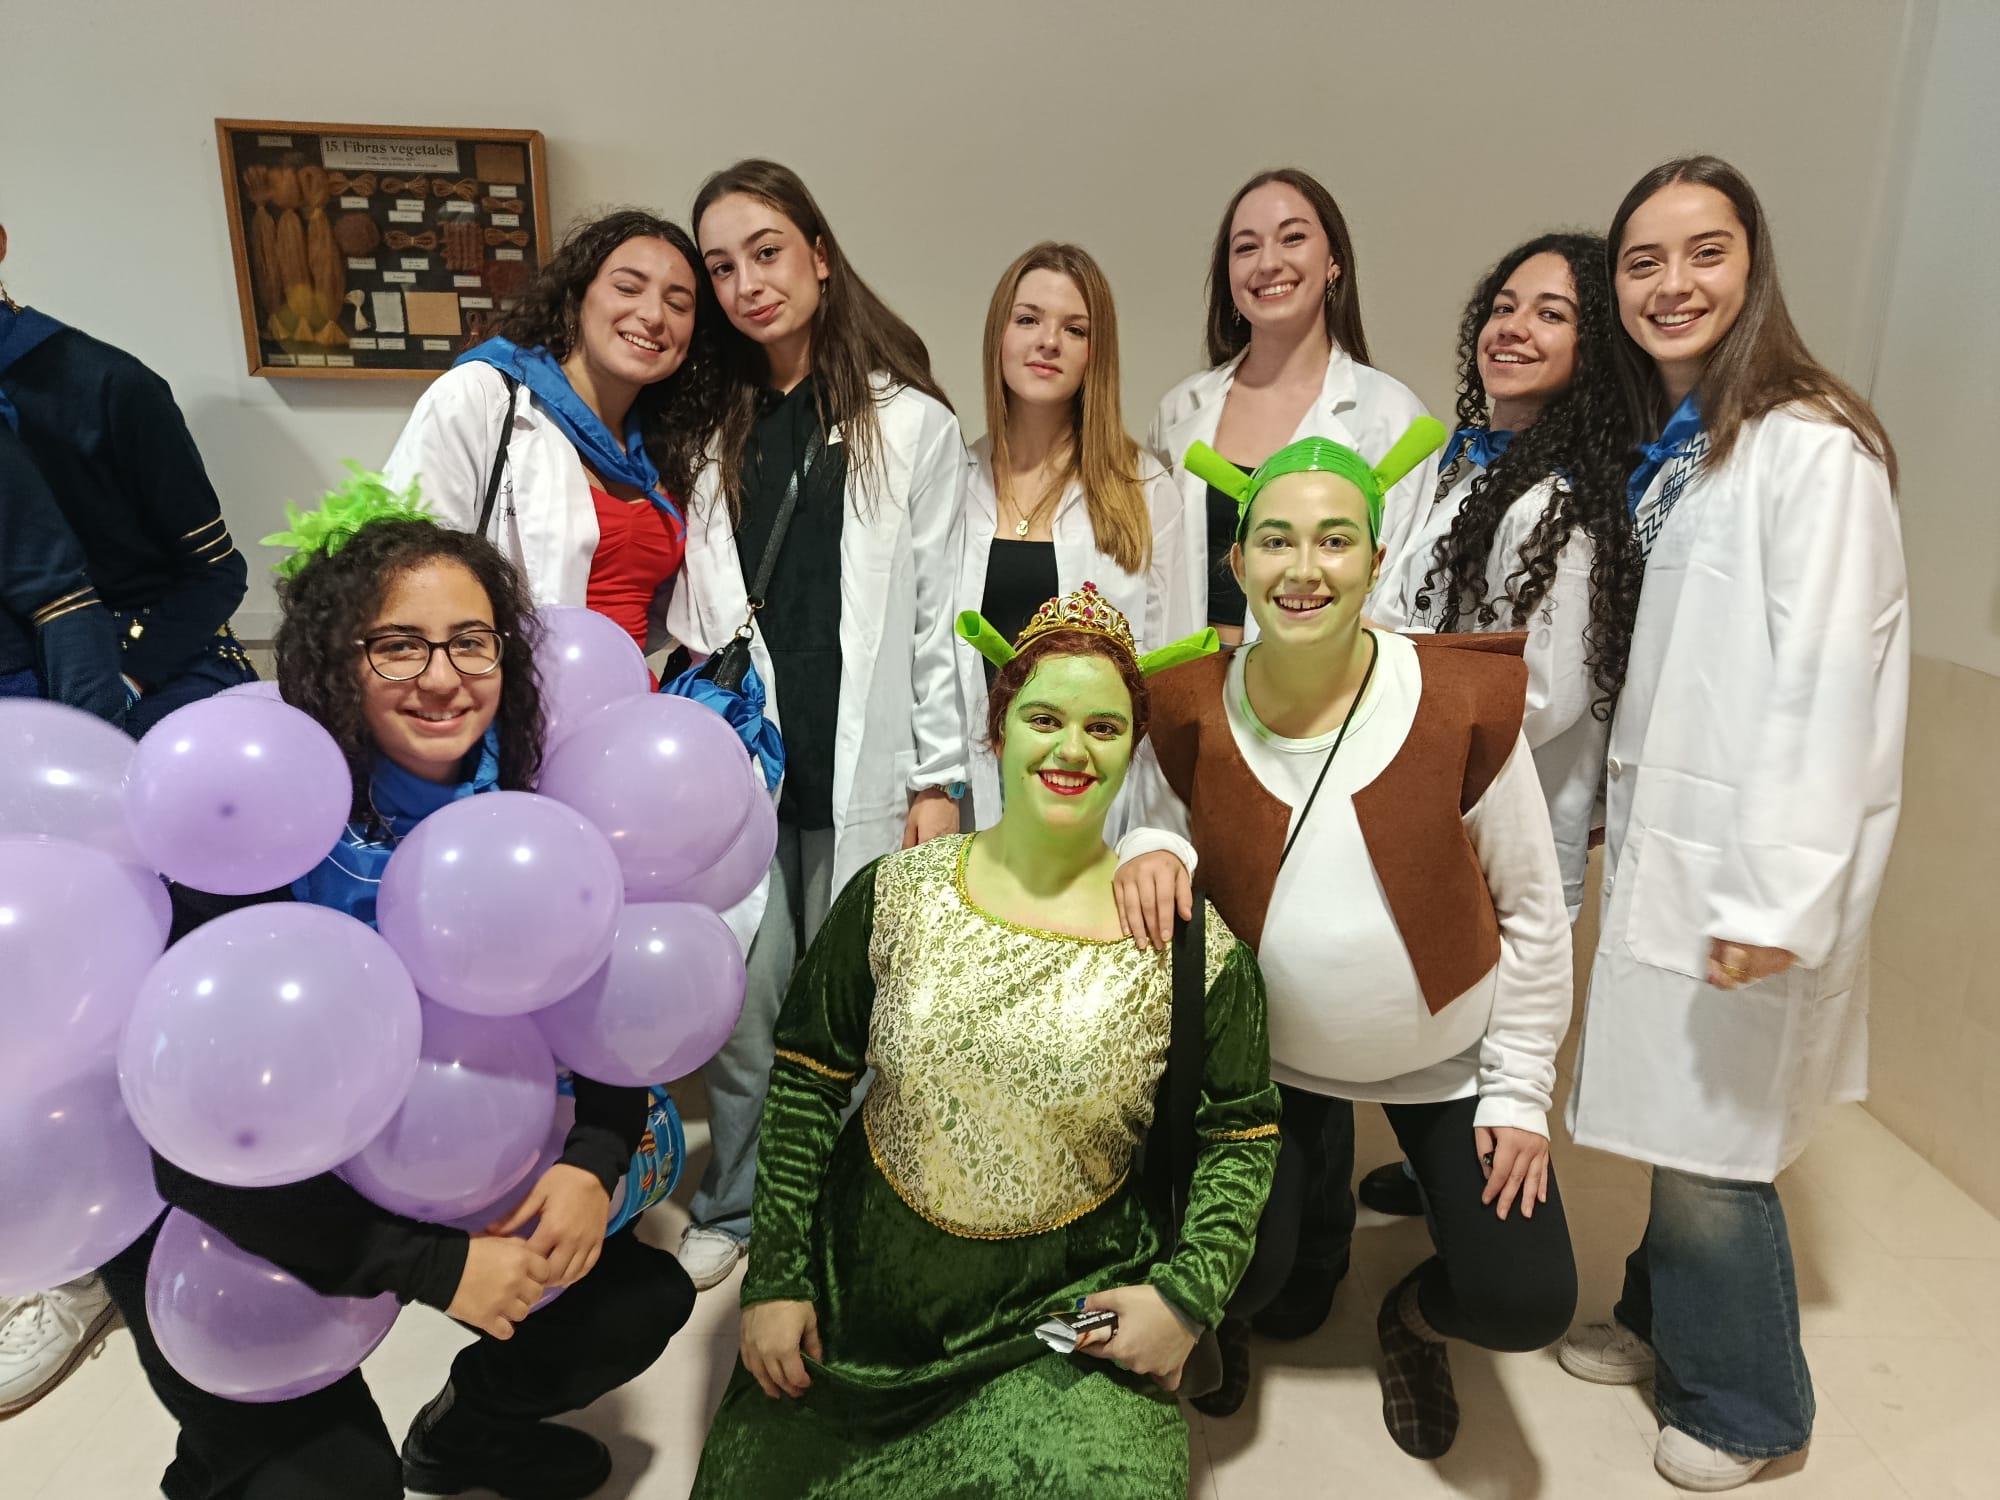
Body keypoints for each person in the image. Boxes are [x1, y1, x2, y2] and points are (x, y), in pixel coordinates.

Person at [95, 501, 695, 1500]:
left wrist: (593, 1161)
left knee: (631, 1301)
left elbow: (603, 1016)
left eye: (470, 641)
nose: (443, 676)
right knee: (329, 1487)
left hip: (415, 1170)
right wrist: (428, 1266)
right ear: (338, 660)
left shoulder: (535, 813)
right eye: (398, 647)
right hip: (227, 1215)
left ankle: (468, 1440)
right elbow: (190, 1147)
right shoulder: (251, 833)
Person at [689, 587, 1278, 1498]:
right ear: (998, 732)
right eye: (1044, 718)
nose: (1072, 750)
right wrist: (775, 1278)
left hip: (1060, 1320)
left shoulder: (1189, 949)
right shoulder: (895, 894)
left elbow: (1241, 1133)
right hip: (862, 1309)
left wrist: (1186, 1299)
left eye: (1104, 729)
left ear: (1133, 749)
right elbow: (807, 1083)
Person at [1554, 156, 1907, 1494]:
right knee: (1674, 1106)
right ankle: (1660, 1318)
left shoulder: (1811, 448)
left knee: (1715, 1144)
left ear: (1754, 267)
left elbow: (1825, 689)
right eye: (1642, 262)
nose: (1670, 284)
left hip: (1745, 868)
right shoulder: (1696, 448)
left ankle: (1751, 1405)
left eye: (1702, 253)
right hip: (1679, 849)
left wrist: (1776, 896)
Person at [1115, 430, 1578, 1445]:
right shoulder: (1190, 700)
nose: (1303, 567)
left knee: (1521, 1299)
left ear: (1376, 561)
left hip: (1444, 1059)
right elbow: (1149, 817)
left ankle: (1411, 1318)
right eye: (1273, 541)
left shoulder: (1457, 702)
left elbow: (1534, 912)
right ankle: (1266, 1273)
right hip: (1266, 1064)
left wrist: (1518, 1089)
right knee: (1256, 1281)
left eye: (1334, 541)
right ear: (1236, 564)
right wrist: (1146, 845)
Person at [668, 160, 968, 1290]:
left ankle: (837, 1210)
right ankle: (739, 1205)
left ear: (820, 256)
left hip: (870, 770)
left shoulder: (910, 426)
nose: (746, 283)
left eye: (766, 252)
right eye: (722, 265)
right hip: (742, 773)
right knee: (745, 1008)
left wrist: (938, 780)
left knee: (852, 1014)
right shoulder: (711, 426)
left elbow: (940, 617)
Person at [0, 217, 253, 1420]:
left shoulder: (102, 384)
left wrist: (121, 709)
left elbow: (215, 575)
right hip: (21, 729)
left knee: (140, 981)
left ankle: (143, 1227)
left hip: (134, 703)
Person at [1356, 232, 1642, 1220]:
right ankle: (1440, 1175)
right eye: (1504, 305)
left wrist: (1392, 690)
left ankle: (1479, 1241)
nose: (1512, 328)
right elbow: (1396, 606)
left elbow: (1541, 694)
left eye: (1550, 315)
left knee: (1487, 1047)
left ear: (1590, 351)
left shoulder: (1564, 500)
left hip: (1499, 818)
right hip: (1429, 802)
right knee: (1429, 1014)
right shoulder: (1454, 465)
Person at [382, 208, 725, 653]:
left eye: (677, 303)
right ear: (577, 297)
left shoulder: (672, 446)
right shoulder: (483, 397)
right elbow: (406, 576)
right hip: (512, 705)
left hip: (629, 704)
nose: (653, 315)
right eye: (627, 287)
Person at [953, 240, 1193, 827]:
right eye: (1028, 319)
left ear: (1097, 353)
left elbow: (1173, 683)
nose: (1048, 342)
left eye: (1075, 329)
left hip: (1100, 810)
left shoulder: (1146, 490)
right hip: (972, 798)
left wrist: (1156, 839)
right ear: (999, 336)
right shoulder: (951, 484)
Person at [1147, 168, 1435, 645]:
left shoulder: (1390, 416)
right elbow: (1156, 581)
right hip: (1186, 688)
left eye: (1292, 238)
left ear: (1333, 263)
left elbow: (1394, 592)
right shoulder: (1180, 411)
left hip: (1322, 695)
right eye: (1246, 247)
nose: (1268, 262)